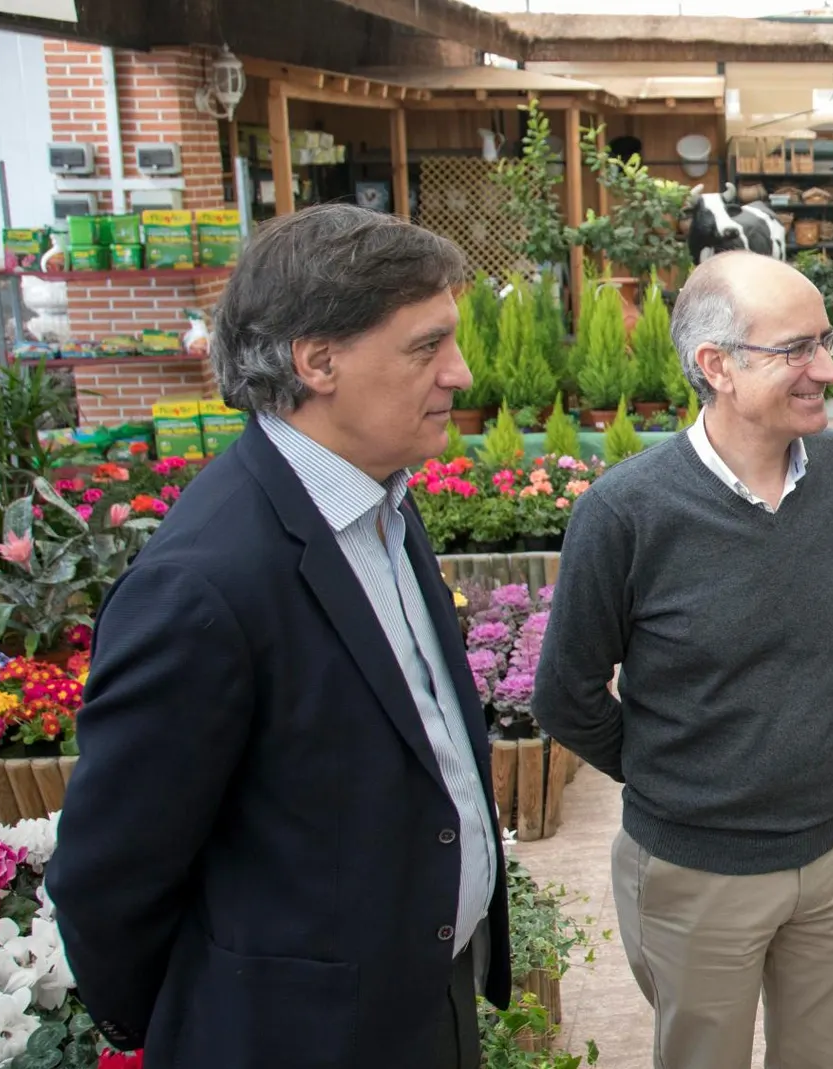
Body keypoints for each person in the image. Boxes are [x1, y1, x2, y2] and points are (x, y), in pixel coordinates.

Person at [47, 203, 509, 1067]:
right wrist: (225, 1018)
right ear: (318, 360)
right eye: (426, 345)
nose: (461, 371)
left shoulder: (382, 505)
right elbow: (109, 878)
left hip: (419, 1003)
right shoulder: (204, 585)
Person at [532, 251, 833, 1069]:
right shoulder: (625, 510)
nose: (827, 368)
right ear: (715, 366)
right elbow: (565, 693)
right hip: (697, 869)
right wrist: (681, 776)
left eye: (825, 342)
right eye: (798, 349)